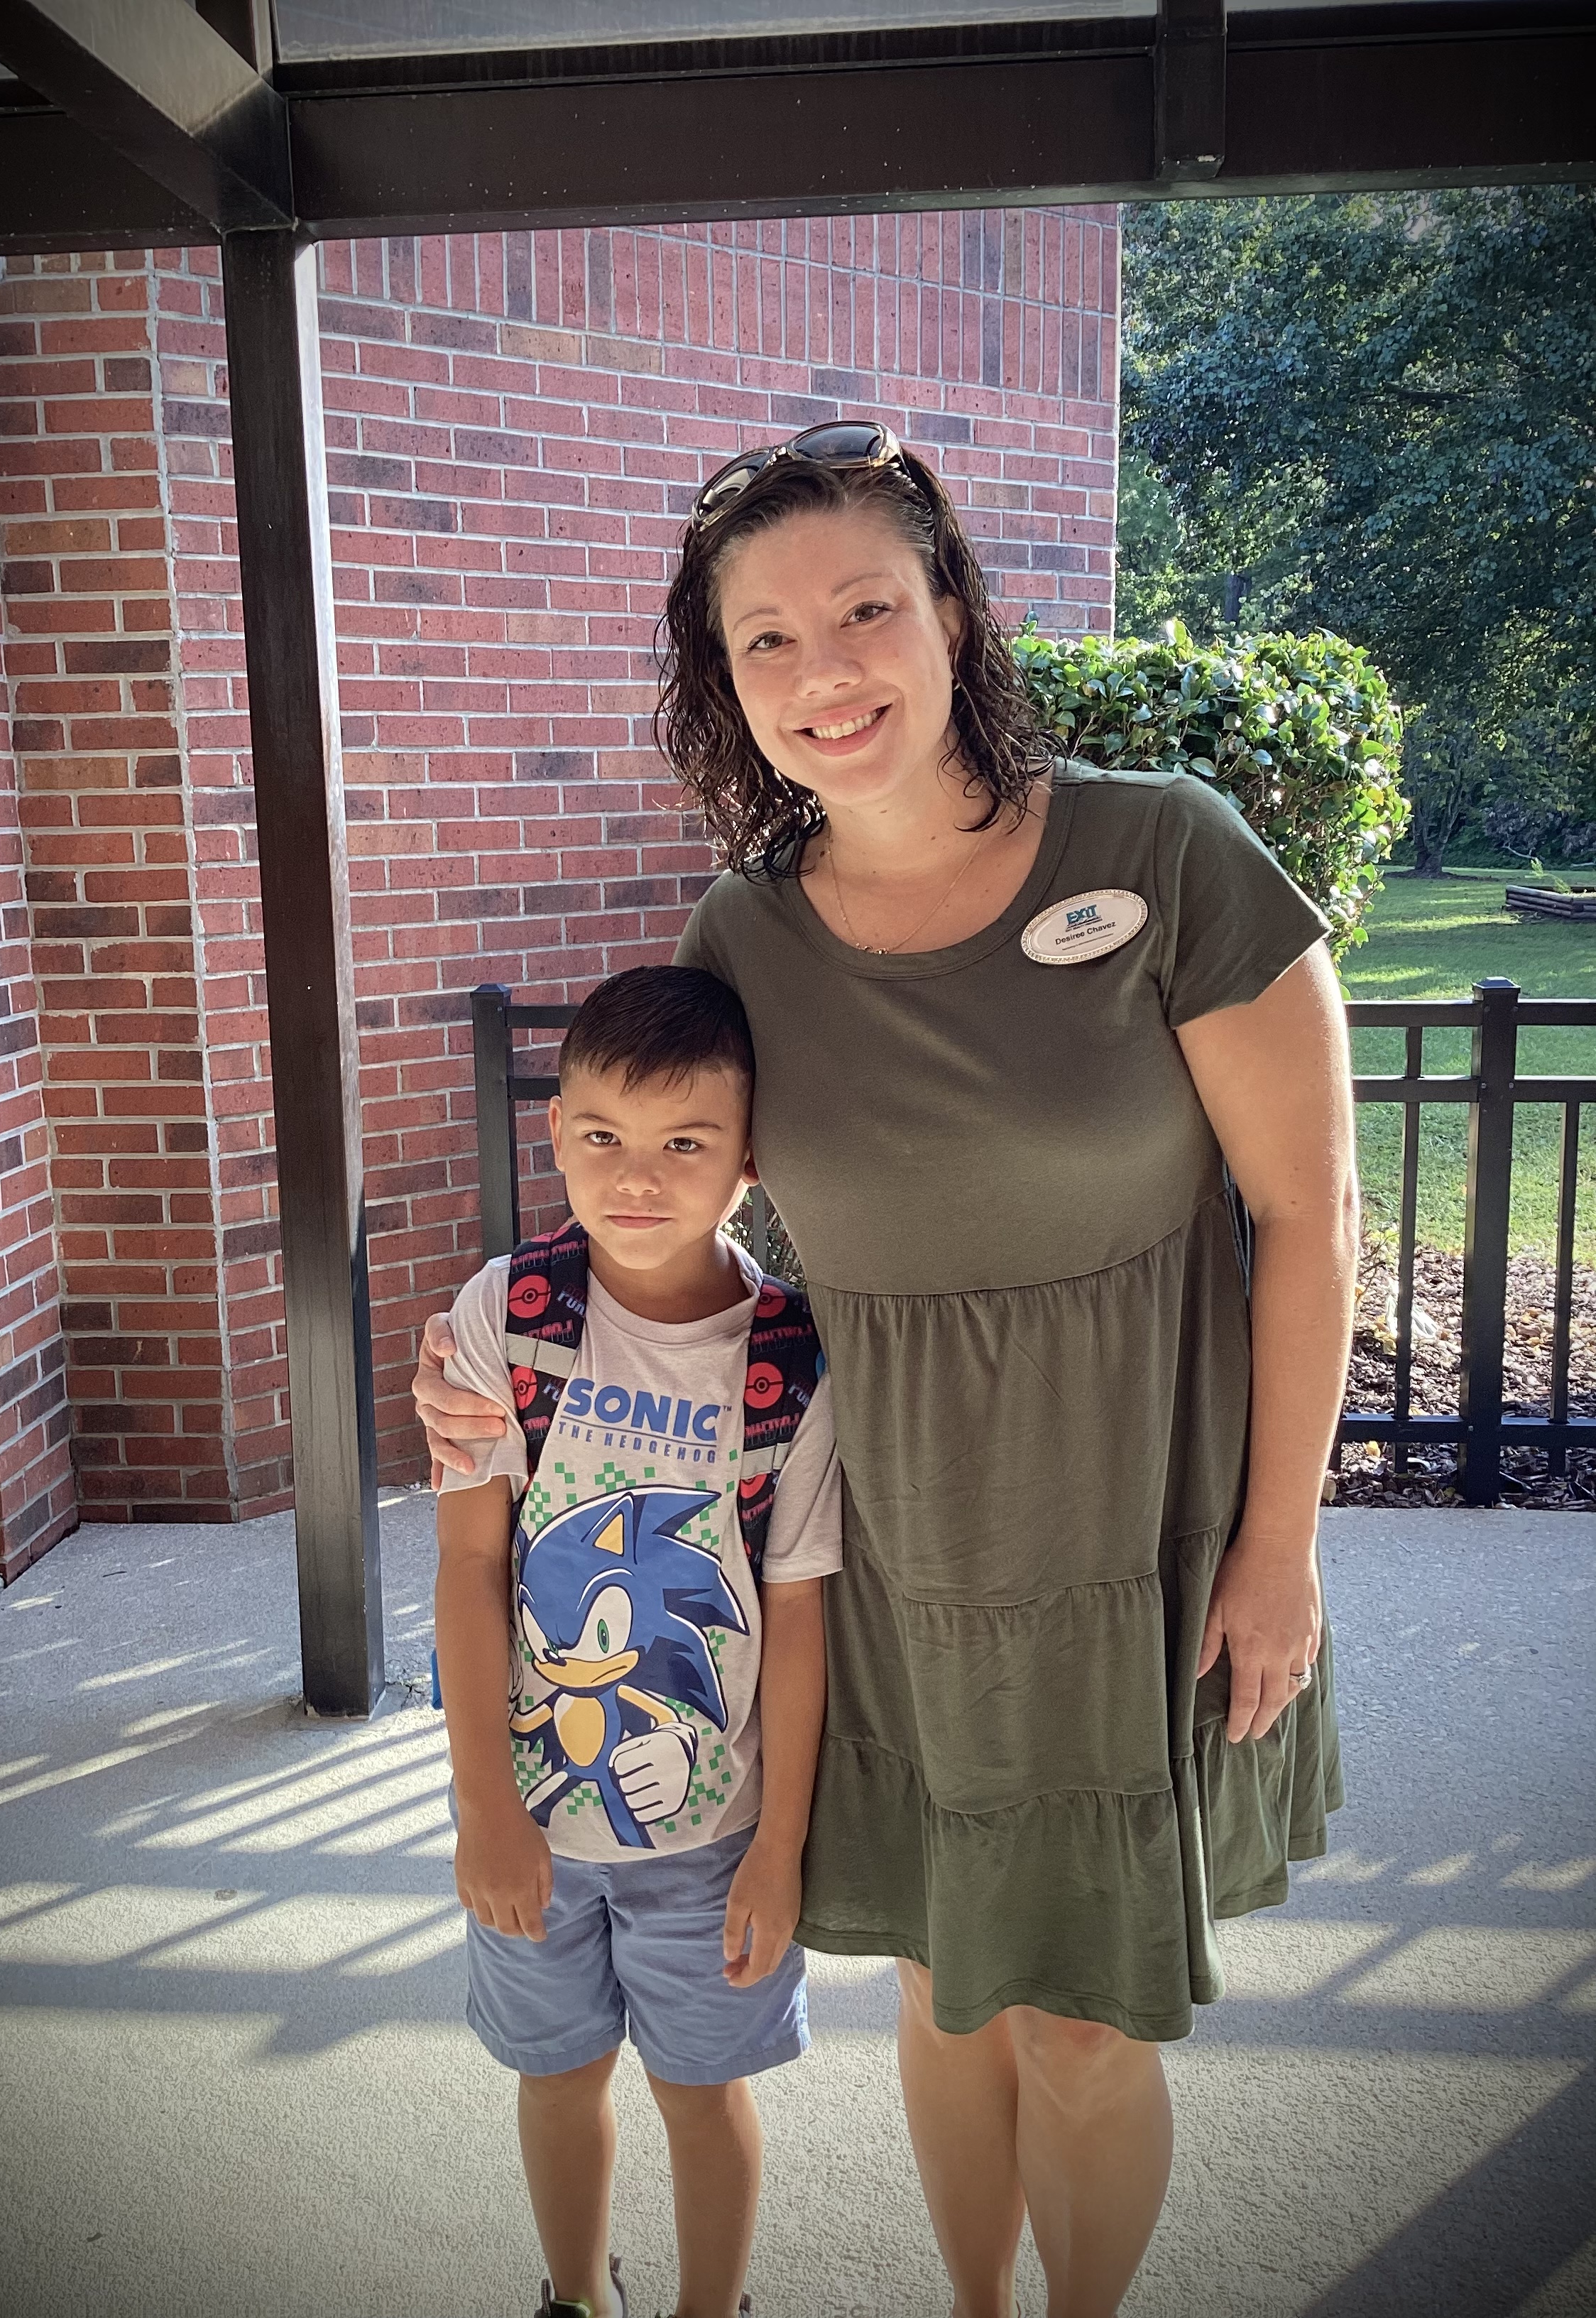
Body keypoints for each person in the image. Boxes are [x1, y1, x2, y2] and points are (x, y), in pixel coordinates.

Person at [418, 424, 1357, 2318]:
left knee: (1085, 2020)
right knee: (945, 1981)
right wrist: (488, 1359)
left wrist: (1281, 1543)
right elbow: (662, 1216)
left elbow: (1313, 1216)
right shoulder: (744, 937)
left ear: (955, 620)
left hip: (1135, 1526)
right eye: (765, 641)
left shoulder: (1163, 852)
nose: (823, 674)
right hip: (889, 1548)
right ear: (723, 685)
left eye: (863, 612)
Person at [434, 964, 842, 2318]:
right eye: (601, 1136)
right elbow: (472, 1567)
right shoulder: (511, 1315)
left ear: (750, 1159)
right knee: (555, 2082)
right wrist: (485, 1805)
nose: (637, 1178)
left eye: (686, 1144)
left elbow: (796, 1615)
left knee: (700, 2090)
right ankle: (576, 2295)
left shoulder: (792, 1357)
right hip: (534, 1835)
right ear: (554, 1132)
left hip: (712, 1839)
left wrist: (778, 1847)